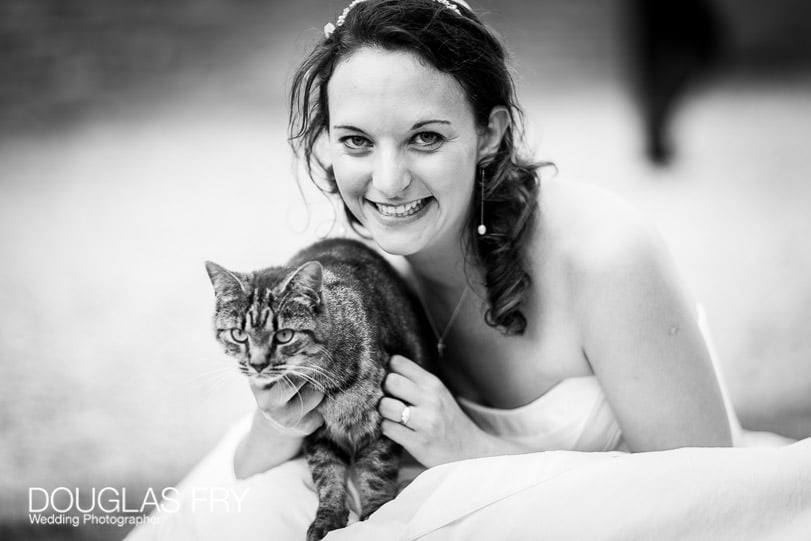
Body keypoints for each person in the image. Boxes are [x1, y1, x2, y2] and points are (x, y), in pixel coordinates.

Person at [126, 1, 807, 539]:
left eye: (425, 136)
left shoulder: (605, 257)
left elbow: (715, 503)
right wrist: (278, 422)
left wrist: (473, 449)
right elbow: (258, 463)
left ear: (491, 133)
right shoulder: (356, 286)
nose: (388, 181)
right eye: (357, 141)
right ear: (326, 148)